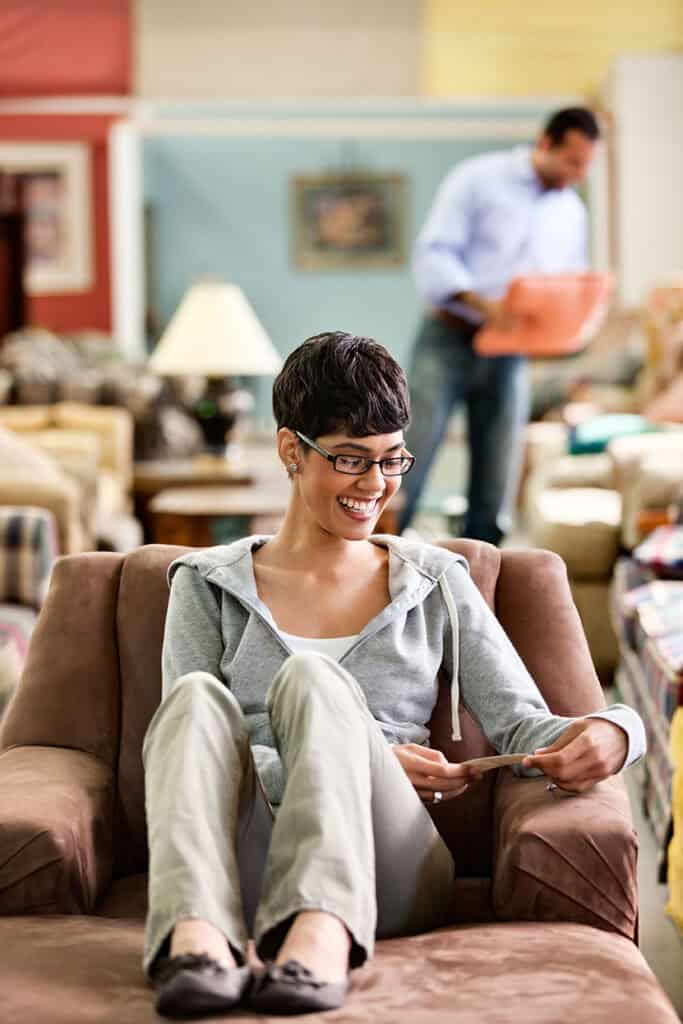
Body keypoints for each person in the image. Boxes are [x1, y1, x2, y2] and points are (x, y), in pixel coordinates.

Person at [143, 330, 644, 1020]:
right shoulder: (203, 584)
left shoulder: (433, 579)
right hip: (244, 865)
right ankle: (195, 939)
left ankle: (320, 934)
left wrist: (617, 733)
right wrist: (360, 756)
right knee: (195, 700)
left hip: (389, 867)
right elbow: (192, 757)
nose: (375, 486)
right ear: (291, 450)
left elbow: (525, 726)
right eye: (350, 460)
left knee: (314, 683)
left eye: (391, 460)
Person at [399, 107, 600, 543]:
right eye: (573, 162)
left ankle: (478, 589)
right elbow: (434, 253)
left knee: (496, 478)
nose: (578, 175)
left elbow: (564, 282)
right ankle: (377, 556)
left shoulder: (570, 213)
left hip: (510, 352)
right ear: (546, 143)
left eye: (587, 166)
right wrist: (484, 305)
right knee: (408, 457)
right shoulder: (477, 179)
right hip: (448, 339)